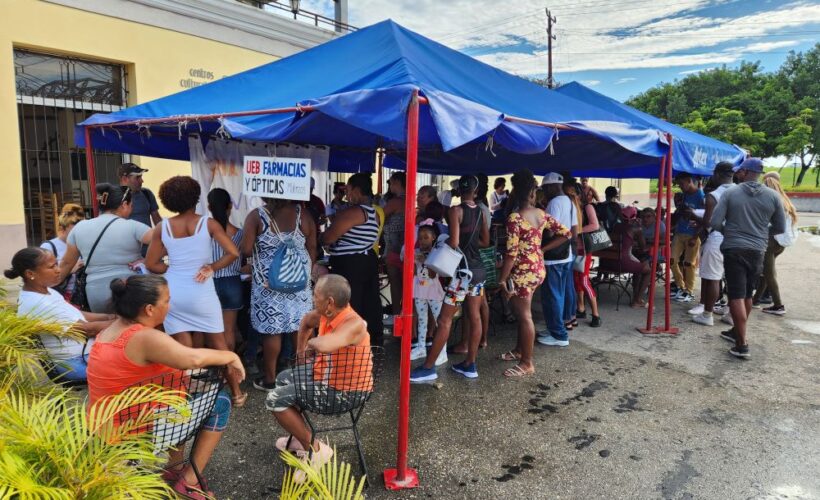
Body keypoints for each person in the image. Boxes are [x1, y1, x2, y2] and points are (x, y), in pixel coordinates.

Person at [86, 274, 244, 499]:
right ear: (149, 309)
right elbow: (193, 358)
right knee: (221, 402)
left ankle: (173, 470)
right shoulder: (144, 337)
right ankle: (188, 481)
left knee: (182, 397)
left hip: (110, 425)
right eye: (167, 300)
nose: (171, 305)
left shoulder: (112, 330)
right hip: (135, 431)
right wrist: (229, 355)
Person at [265, 275, 368, 475]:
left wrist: (312, 345)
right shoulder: (326, 314)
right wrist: (301, 353)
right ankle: (299, 438)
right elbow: (305, 321)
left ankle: (316, 449)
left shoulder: (354, 324)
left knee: (274, 398)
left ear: (329, 301)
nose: (313, 298)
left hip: (346, 392)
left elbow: (328, 344)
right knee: (283, 378)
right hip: (327, 378)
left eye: (315, 295)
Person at [410, 175, 489, 382]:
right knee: (475, 317)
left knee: (444, 319)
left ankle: (428, 367)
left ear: (458, 191)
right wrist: (469, 245)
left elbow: (453, 242)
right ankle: (470, 364)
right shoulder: (481, 211)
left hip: (462, 274)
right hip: (478, 271)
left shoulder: (455, 210)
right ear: (476, 190)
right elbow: (485, 240)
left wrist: (447, 245)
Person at [710, 158, 785, 359]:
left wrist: (731, 231)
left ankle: (742, 343)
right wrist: (760, 233)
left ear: (744, 172)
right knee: (747, 295)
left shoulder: (730, 193)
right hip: (757, 250)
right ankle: (737, 332)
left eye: (739, 171)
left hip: (734, 249)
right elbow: (780, 228)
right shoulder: (773, 196)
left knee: (735, 295)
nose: (736, 174)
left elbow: (715, 222)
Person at [498, 170, 570, 377]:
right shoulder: (541, 213)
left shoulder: (515, 218)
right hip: (538, 269)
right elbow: (566, 233)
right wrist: (542, 250)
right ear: (532, 193)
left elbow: (511, 255)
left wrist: (502, 279)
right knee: (524, 315)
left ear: (514, 193)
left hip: (522, 273)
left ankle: (527, 363)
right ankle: (520, 350)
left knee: (524, 316)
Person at [241, 196, 316, 391]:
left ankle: (270, 380)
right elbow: (313, 247)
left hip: (269, 283)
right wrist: (304, 272)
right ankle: (304, 379)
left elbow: (247, 250)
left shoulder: (256, 216)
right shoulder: (303, 215)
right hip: (299, 281)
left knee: (272, 331)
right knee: (301, 328)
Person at [7, 247, 115, 381]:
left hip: (85, 353)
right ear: (30, 274)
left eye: (57, 264)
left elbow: (76, 313)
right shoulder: (38, 303)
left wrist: (109, 317)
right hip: (74, 363)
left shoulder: (45, 291)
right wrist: (125, 322)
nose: (58, 270)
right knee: (137, 362)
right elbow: (87, 330)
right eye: (51, 267)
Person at [59, 184, 153, 313]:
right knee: (133, 330)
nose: (131, 209)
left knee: (105, 330)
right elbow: (164, 241)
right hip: (130, 291)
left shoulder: (79, 228)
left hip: (95, 293)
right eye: (131, 206)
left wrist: (48, 287)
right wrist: (147, 261)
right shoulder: (134, 227)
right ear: (124, 204)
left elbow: (66, 263)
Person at [321, 173, 384, 345]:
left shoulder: (354, 212)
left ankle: (351, 341)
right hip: (366, 261)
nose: (347, 195)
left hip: (350, 264)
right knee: (368, 302)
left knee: (351, 303)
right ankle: (368, 340)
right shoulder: (374, 213)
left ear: (357, 190)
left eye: (348, 190)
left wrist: (317, 237)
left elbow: (329, 237)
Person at [689, 162, 735, 326]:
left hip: (716, 238)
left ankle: (707, 314)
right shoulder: (740, 191)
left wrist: (693, 216)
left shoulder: (714, 195)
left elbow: (709, 223)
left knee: (712, 278)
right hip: (735, 239)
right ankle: (730, 313)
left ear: (716, 174)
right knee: (731, 278)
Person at [538, 172, 577, 347]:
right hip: (566, 254)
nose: (544, 192)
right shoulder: (569, 202)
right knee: (559, 294)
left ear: (552, 186)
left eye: (545, 188)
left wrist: (542, 247)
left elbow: (549, 231)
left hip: (553, 257)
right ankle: (555, 328)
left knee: (552, 296)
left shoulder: (554, 203)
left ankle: (559, 335)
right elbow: (574, 232)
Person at [751, 172, 798, 316]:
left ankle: (778, 305)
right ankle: (755, 300)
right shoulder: (785, 199)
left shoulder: (772, 199)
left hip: (771, 241)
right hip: (782, 242)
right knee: (767, 272)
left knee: (769, 274)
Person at [207, 188, 244, 353]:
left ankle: (215, 365)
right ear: (230, 206)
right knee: (229, 329)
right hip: (233, 282)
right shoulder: (240, 234)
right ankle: (230, 368)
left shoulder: (203, 232)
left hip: (209, 281)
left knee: (212, 329)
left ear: (209, 207)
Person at [604, 206, 653, 308]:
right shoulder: (636, 229)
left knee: (639, 267)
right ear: (635, 217)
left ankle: (636, 297)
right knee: (648, 270)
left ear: (621, 217)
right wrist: (639, 229)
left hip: (607, 263)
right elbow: (643, 247)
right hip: (622, 263)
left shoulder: (616, 226)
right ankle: (637, 300)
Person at [670, 173, 706, 303]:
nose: (680, 187)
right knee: (671, 260)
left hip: (692, 235)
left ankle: (689, 291)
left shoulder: (701, 196)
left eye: (681, 184)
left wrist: (695, 236)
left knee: (688, 264)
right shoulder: (684, 195)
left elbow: (705, 219)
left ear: (689, 181)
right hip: (679, 233)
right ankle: (680, 286)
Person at [570, 182, 602, 327]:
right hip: (575, 248)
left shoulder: (587, 207)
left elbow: (595, 225)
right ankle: (581, 308)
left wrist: (577, 230)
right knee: (577, 280)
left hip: (584, 249)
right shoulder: (574, 208)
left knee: (583, 281)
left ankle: (596, 314)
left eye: (572, 194)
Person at [41, 203, 85, 297]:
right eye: (74, 230)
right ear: (64, 227)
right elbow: (42, 276)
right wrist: (70, 269)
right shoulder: (49, 247)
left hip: (80, 294)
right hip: (60, 295)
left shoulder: (83, 244)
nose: (77, 233)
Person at [382, 172, 406, 319]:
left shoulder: (395, 201)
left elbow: (379, 217)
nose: (390, 186)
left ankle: (397, 315)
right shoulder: (409, 200)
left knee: (395, 284)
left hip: (393, 247)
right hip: (404, 246)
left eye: (391, 182)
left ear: (397, 182)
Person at [119, 163, 161, 227]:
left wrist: (165, 235)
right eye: (137, 177)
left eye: (141, 177)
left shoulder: (147, 193)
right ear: (124, 179)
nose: (142, 181)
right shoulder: (114, 197)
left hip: (147, 236)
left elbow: (157, 219)